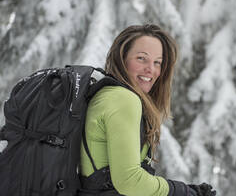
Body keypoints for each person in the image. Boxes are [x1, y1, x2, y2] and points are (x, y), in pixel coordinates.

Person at [79, 24, 216, 196]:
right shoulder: (123, 99)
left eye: (157, 62)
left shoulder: (106, 94)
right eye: (141, 58)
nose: (151, 69)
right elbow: (129, 181)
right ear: (122, 58)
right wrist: (181, 191)